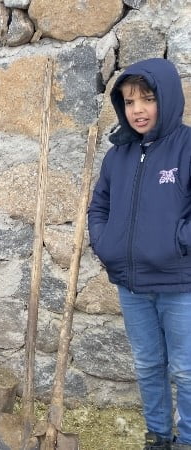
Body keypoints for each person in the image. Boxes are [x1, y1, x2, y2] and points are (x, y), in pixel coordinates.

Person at [88, 58, 191, 450]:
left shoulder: (186, 146)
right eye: (130, 102)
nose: (138, 110)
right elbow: (99, 205)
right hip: (132, 285)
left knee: (186, 370)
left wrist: (179, 239)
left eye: (147, 99)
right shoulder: (119, 155)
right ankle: (159, 437)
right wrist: (104, 240)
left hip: (180, 283)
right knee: (148, 366)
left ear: (166, 98)